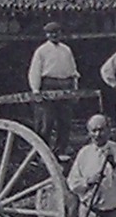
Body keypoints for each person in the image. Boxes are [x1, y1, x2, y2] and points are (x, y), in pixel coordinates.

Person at [28, 21, 79, 156]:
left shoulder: (66, 50)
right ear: (46, 35)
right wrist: (36, 90)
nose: (54, 35)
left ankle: (60, 151)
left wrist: (74, 89)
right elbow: (35, 71)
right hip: (48, 85)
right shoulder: (41, 51)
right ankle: (42, 154)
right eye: (50, 33)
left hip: (65, 85)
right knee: (46, 122)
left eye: (56, 32)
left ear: (60, 33)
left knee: (65, 121)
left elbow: (73, 70)